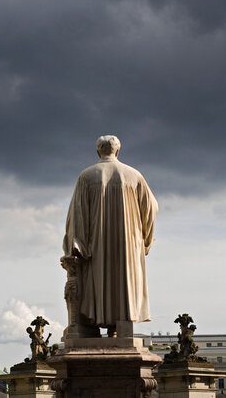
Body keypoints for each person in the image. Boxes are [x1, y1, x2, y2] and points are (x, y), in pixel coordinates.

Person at [63, 135, 158, 337]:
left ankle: (95, 320)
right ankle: (121, 324)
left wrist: (76, 244)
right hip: (129, 246)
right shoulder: (134, 176)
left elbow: (77, 215)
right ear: (118, 150)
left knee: (99, 281)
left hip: (96, 245)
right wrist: (145, 240)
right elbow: (151, 208)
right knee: (124, 281)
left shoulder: (87, 176)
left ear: (99, 151)